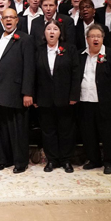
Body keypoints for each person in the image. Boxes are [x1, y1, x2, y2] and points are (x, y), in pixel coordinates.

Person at [0, 8, 35, 173]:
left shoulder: (25, 39)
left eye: (11, 17)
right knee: (1, 128)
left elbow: (29, 67)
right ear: (1, 20)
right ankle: (3, 159)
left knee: (18, 129)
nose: (8, 20)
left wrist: (27, 92)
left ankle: (20, 162)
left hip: (15, 91)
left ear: (17, 20)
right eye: (5, 17)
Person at [77, 24, 111, 174]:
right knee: (88, 133)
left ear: (103, 38)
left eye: (98, 36)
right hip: (85, 100)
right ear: (87, 39)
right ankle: (94, 159)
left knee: (109, 133)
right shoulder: (80, 55)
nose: (95, 39)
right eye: (92, 36)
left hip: (105, 101)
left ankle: (110, 161)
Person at [34, 19, 80, 172]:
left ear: (60, 33)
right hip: (44, 99)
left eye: (55, 29)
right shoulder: (38, 50)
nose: (52, 32)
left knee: (66, 130)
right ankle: (52, 160)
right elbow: (33, 75)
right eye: (49, 29)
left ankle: (66, 160)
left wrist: (74, 95)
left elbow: (76, 73)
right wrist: (34, 97)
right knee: (48, 131)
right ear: (44, 33)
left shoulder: (70, 49)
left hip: (65, 98)